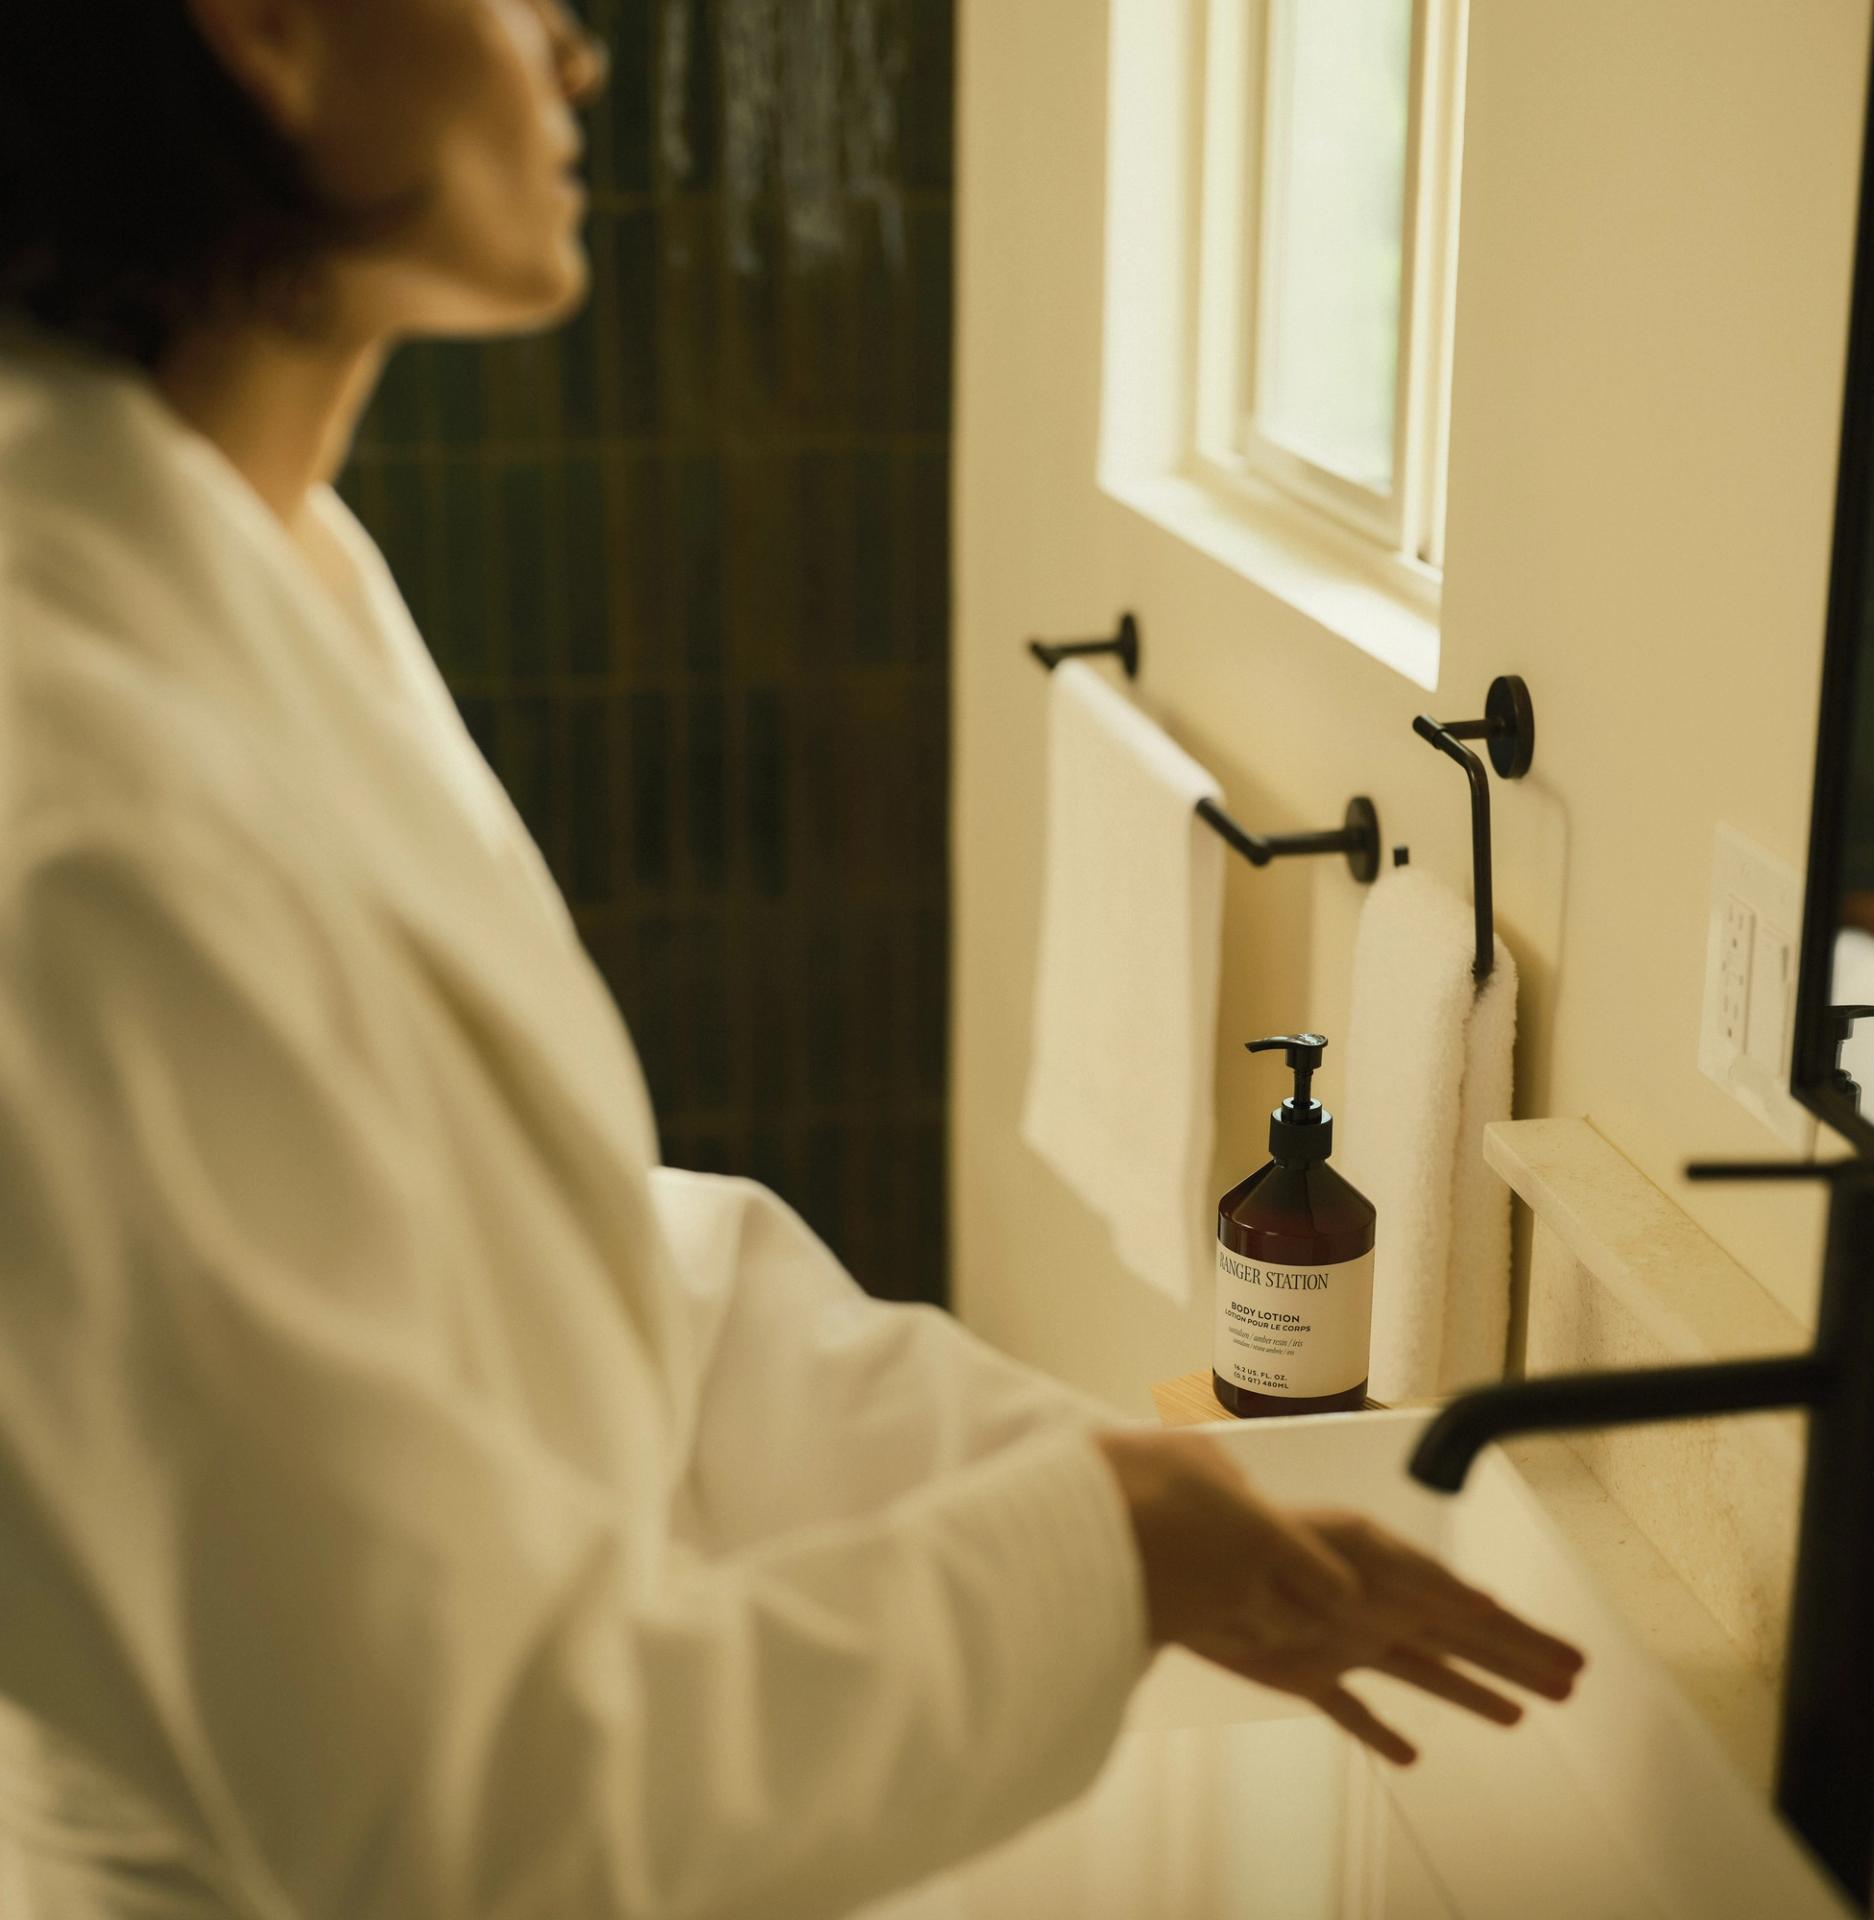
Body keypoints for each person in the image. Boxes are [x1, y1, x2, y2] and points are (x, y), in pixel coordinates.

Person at [0, 4, 1585, 1916]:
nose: (576, 57)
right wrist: (1098, 1553)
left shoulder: (262, 558)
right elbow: (461, 1809)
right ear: (264, 29)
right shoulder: (81, 814)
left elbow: (545, 1259)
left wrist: (1084, 1484)